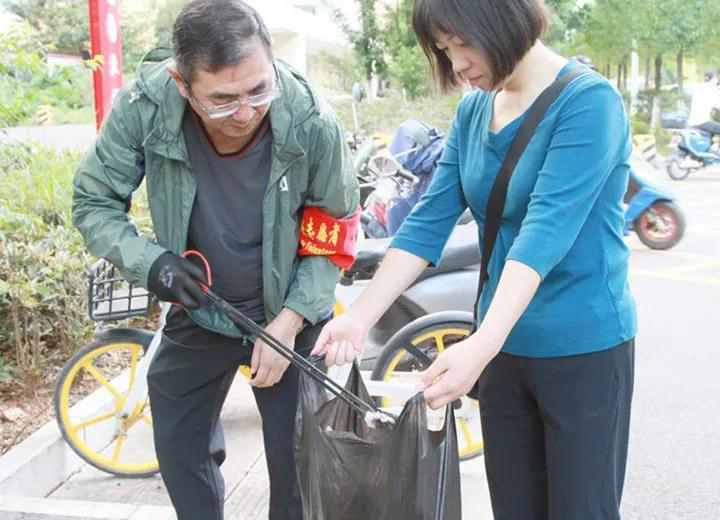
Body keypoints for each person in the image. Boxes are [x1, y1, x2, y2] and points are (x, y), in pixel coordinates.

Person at [312, 0, 636, 518]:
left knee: (581, 510)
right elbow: (428, 222)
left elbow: (543, 234)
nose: (457, 63)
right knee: (514, 508)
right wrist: (359, 317)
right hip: (502, 349)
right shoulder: (475, 111)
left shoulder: (589, 104)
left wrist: (480, 346)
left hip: (579, 348)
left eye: (463, 43)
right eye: (445, 49)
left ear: (504, 19)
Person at [72, 1, 359, 519]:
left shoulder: (312, 119)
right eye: (222, 100)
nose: (245, 112)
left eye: (259, 90)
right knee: (179, 441)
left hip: (289, 311)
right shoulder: (144, 107)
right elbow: (94, 202)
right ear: (182, 84)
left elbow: (334, 229)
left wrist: (289, 322)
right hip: (201, 307)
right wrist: (152, 263)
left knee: (299, 461)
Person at [688, 70, 720, 137]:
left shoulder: (700, 88)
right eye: (717, 78)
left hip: (694, 122)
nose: (717, 80)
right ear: (713, 79)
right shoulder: (709, 91)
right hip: (702, 122)